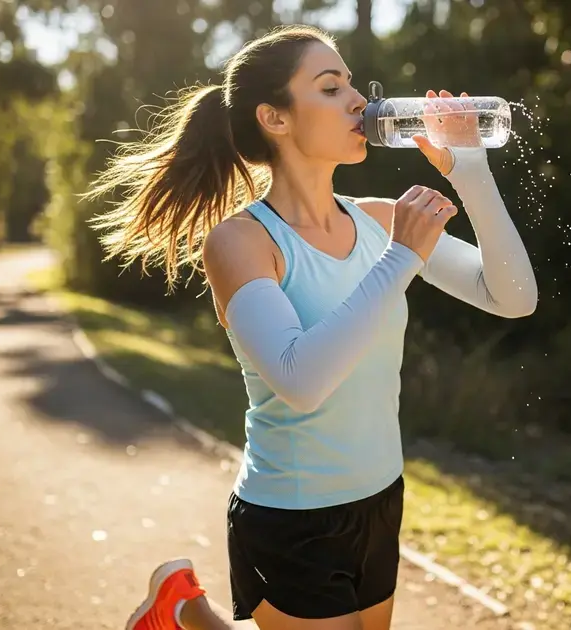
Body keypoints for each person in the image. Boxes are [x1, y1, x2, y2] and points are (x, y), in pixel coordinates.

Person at [85, 23, 537, 630]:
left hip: (380, 497)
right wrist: (401, 259)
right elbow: (301, 379)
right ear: (275, 117)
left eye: (352, 83)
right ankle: (187, 612)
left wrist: (471, 171)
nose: (358, 101)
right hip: (291, 514)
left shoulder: (380, 220)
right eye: (330, 88)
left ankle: (184, 611)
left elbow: (514, 299)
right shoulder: (241, 241)